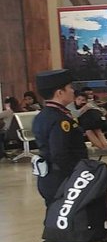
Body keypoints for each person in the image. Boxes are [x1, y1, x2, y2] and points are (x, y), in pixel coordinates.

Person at [31, 69, 88, 206]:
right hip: (63, 179)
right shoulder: (59, 119)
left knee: (55, 220)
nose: (73, 91)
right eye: (70, 87)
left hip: (49, 177)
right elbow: (60, 154)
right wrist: (78, 176)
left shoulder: (42, 115)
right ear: (59, 92)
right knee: (69, 222)